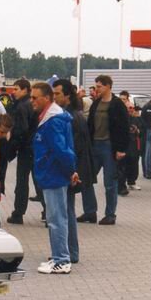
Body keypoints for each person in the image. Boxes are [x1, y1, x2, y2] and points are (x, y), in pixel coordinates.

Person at [30, 83, 78, 274]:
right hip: (52, 173)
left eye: (35, 98)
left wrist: (71, 170)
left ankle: (62, 260)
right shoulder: (52, 118)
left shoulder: (53, 120)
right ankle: (59, 256)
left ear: (47, 98)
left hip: (53, 175)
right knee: (56, 218)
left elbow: (62, 150)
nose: (32, 101)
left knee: (56, 219)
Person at [78, 75, 129, 225]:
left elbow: (124, 127)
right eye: (96, 86)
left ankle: (110, 214)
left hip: (109, 147)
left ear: (108, 86)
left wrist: (121, 149)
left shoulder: (117, 104)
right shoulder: (96, 103)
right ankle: (90, 212)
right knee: (86, 179)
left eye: (99, 86)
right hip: (94, 146)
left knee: (110, 182)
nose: (96, 89)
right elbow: (90, 125)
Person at [53, 79, 92, 265]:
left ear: (67, 95)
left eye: (57, 94)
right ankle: (69, 251)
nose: (54, 97)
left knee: (66, 212)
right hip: (73, 170)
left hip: (70, 172)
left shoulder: (70, 117)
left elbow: (74, 148)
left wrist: (72, 171)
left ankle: (70, 252)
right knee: (66, 211)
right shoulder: (72, 114)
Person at [7, 79, 38, 225]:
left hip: (25, 148)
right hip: (36, 147)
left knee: (22, 182)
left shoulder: (21, 107)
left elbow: (21, 130)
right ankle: (48, 212)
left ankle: (18, 213)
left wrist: (12, 148)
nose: (14, 92)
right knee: (38, 181)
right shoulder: (33, 104)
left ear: (25, 89)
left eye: (16, 89)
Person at [117, 102, 144, 194]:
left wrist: (138, 131)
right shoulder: (120, 118)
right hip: (123, 146)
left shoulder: (137, 119)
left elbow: (142, 131)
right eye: (129, 108)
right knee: (122, 167)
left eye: (132, 108)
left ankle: (131, 182)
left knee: (133, 164)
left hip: (134, 145)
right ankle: (121, 186)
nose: (130, 109)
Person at [142, 95, 151, 179]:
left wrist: (147, 127)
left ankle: (149, 172)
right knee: (150, 153)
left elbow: (142, 118)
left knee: (149, 152)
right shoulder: (148, 106)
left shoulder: (147, 106)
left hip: (148, 131)